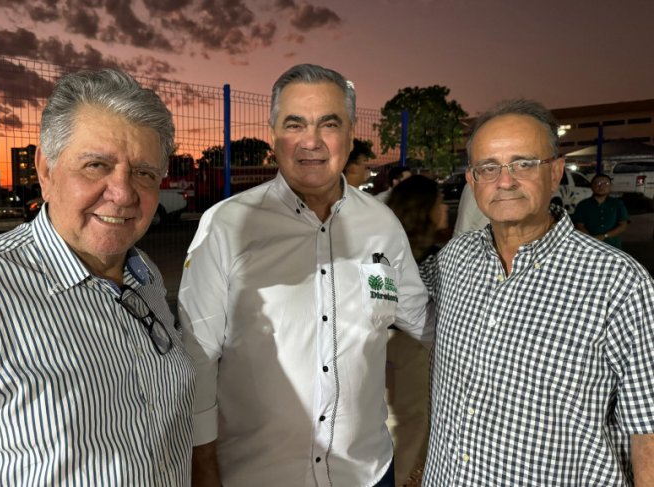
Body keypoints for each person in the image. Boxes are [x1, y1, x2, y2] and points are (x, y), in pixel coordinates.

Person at [0, 69, 195, 485]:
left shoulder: (145, 279)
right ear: (46, 170)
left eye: (143, 173)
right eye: (96, 165)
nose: (123, 193)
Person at [179, 63, 430, 487]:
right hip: (257, 476)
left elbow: (421, 319)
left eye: (328, 123)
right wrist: (203, 466)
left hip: (367, 473)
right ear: (274, 133)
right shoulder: (226, 226)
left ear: (350, 134)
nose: (311, 141)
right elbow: (196, 357)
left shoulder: (382, 224)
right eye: (295, 124)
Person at [420, 98, 654, 485]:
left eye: (524, 163)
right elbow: (391, 293)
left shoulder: (619, 283)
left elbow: (647, 434)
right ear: (473, 180)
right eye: (488, 167)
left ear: (556, 172)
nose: (505, 180)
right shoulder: (454, 259)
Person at [384, 175, 448, 483]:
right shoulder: (440, 260)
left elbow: (378, 308)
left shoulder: (381, 253)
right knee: (413, 424)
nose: (445, 209)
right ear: (426, 210)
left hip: (384, 345)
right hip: (415, 350)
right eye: (439, 203)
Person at [572, 173, 629, 248]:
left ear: (610, 187)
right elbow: (579, 225)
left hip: (612, 246)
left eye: (606, 183)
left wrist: (604, 236)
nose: (601, 186)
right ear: (592, 186)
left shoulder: (617, 204)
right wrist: (591, 239)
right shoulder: (583, 205)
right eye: (598, 183)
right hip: (589, 246)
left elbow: (623, 225)